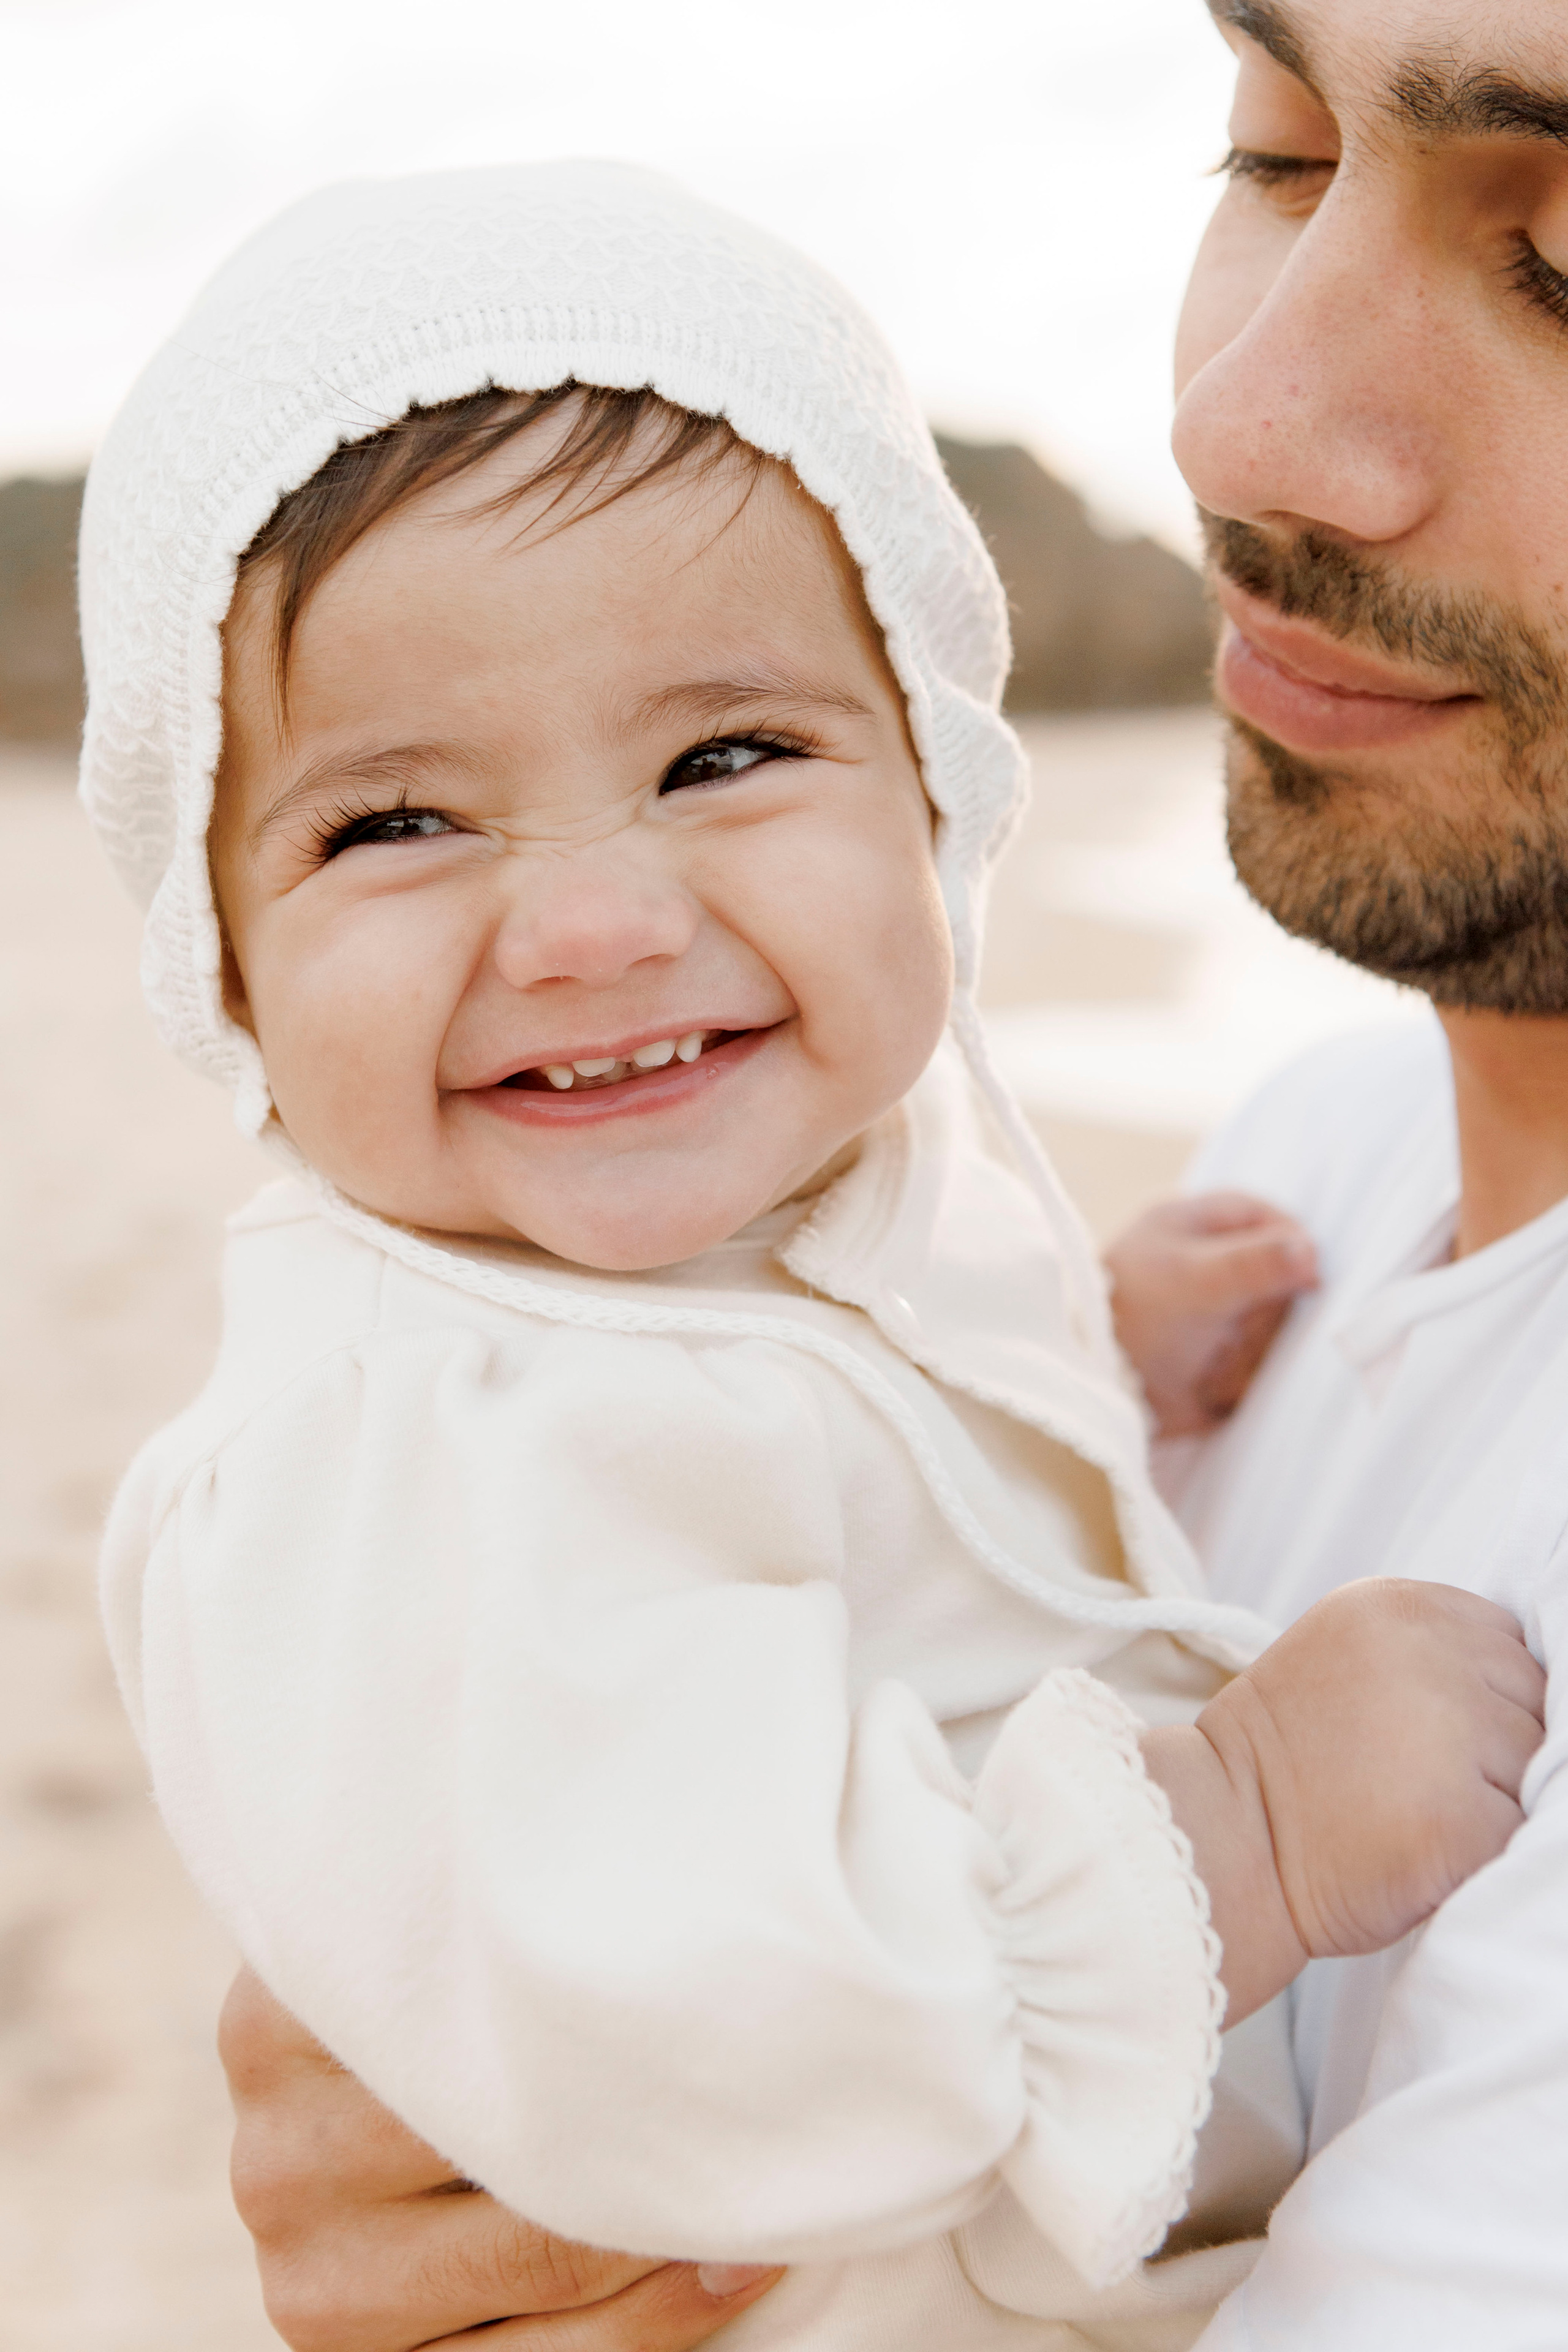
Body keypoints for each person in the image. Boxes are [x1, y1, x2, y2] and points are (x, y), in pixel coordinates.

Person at [85, 165, 1542, 2351]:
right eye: (395, 821)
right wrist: (1236, 1827)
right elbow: (707, 2022)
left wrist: (1067, 1354)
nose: (594, 925)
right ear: (215, 954)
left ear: (940, 785)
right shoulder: (410, 1454)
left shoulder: (724, 1250)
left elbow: (807, 1445)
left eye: (727, 755)